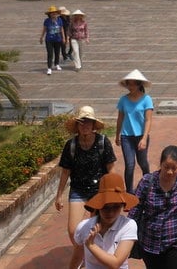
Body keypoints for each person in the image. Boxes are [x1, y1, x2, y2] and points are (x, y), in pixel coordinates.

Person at [56, 106, 117, 269]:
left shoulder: (103, 142)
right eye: (82, 122)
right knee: (73, 231)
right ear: (77, 125)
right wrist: (59, 195)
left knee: (97, 229)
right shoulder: (71, 145)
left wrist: (114, 191)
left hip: (99, 191)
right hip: (78, 190)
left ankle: (90, 258)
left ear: (94, 125)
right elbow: (65, 171)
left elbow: (111, 168)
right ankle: (85, 254)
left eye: (88, 122)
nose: (85, 126)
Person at [74, 172, 139, 269]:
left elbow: (115, 263)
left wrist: (91, 245)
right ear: (98, 206)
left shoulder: (129, 225)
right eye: (106, 207)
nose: (110, 213)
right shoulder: (83, 227)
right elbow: (77, 256)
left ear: (122, 206)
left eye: (116, 207)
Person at [116, 69, 154, 194]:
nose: (131, 86)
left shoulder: (146, 99)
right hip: (126, 136)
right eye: (129, 84)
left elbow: (148, 120)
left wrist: (144, 138)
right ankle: (129, 193)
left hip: (141, 136)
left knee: (142, 163)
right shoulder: (123, 100)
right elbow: (120, 118)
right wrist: (117, 135)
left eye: (133, 84)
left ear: (139, 85)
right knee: (130, 164)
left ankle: (148, 188)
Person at [40, 5, 65, 75]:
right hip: (49, 39)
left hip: (58, 39)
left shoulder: (59, 20)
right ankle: (49, 68)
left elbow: (61, 29)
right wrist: (41, 37)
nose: (54, 14)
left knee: (57, 52)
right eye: (52, 13)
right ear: (49, 14)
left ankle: (57, 64)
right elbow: (44, 29)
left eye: (55, 13)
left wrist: (63, 38)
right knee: (50, 54)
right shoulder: (47, 21)